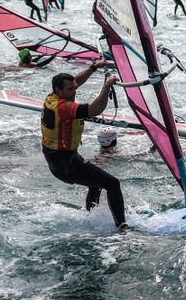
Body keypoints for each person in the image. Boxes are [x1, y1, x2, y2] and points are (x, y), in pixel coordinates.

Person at [41, 62, 128, 230]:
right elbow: (95, 109)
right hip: (65, 164)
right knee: (113, 184)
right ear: (59, 91)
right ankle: (122, 227)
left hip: (60, 159)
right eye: (70, 90)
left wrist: (93, 68)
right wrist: (106, 87)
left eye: (74, 89)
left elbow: (75, 81)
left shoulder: (52, 97)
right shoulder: (64, 107)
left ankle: (92, 218)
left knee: (96, 183)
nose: (74, 92)